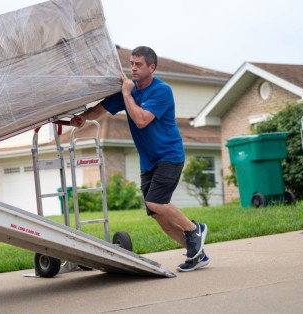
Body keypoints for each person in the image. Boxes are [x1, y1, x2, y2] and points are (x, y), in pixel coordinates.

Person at [71, 46, 209, 272]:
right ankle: (196, 252)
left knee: (156, 202)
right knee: (156, 213)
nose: (133, 68)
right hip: (149, 161)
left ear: (151, 67)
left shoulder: (161, 91)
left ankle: (195, 229)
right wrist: (82, 119)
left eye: (138, 64)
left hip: (169, 155)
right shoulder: (128, 89)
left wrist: (126, 94)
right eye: (131, 63)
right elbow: (100, 109)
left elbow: (142, 120)